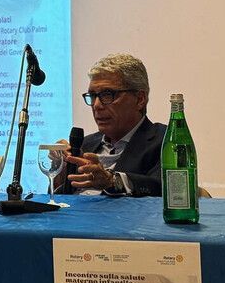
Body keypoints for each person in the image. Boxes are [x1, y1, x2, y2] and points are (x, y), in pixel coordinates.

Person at [61, 53, 167, 197]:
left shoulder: (165, 141)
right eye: (93, 96)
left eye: (107, 94)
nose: (96, 105)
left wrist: (112, 181)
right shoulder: (85, 145)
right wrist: (61, 170)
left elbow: (166, 188)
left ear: (140, 99)